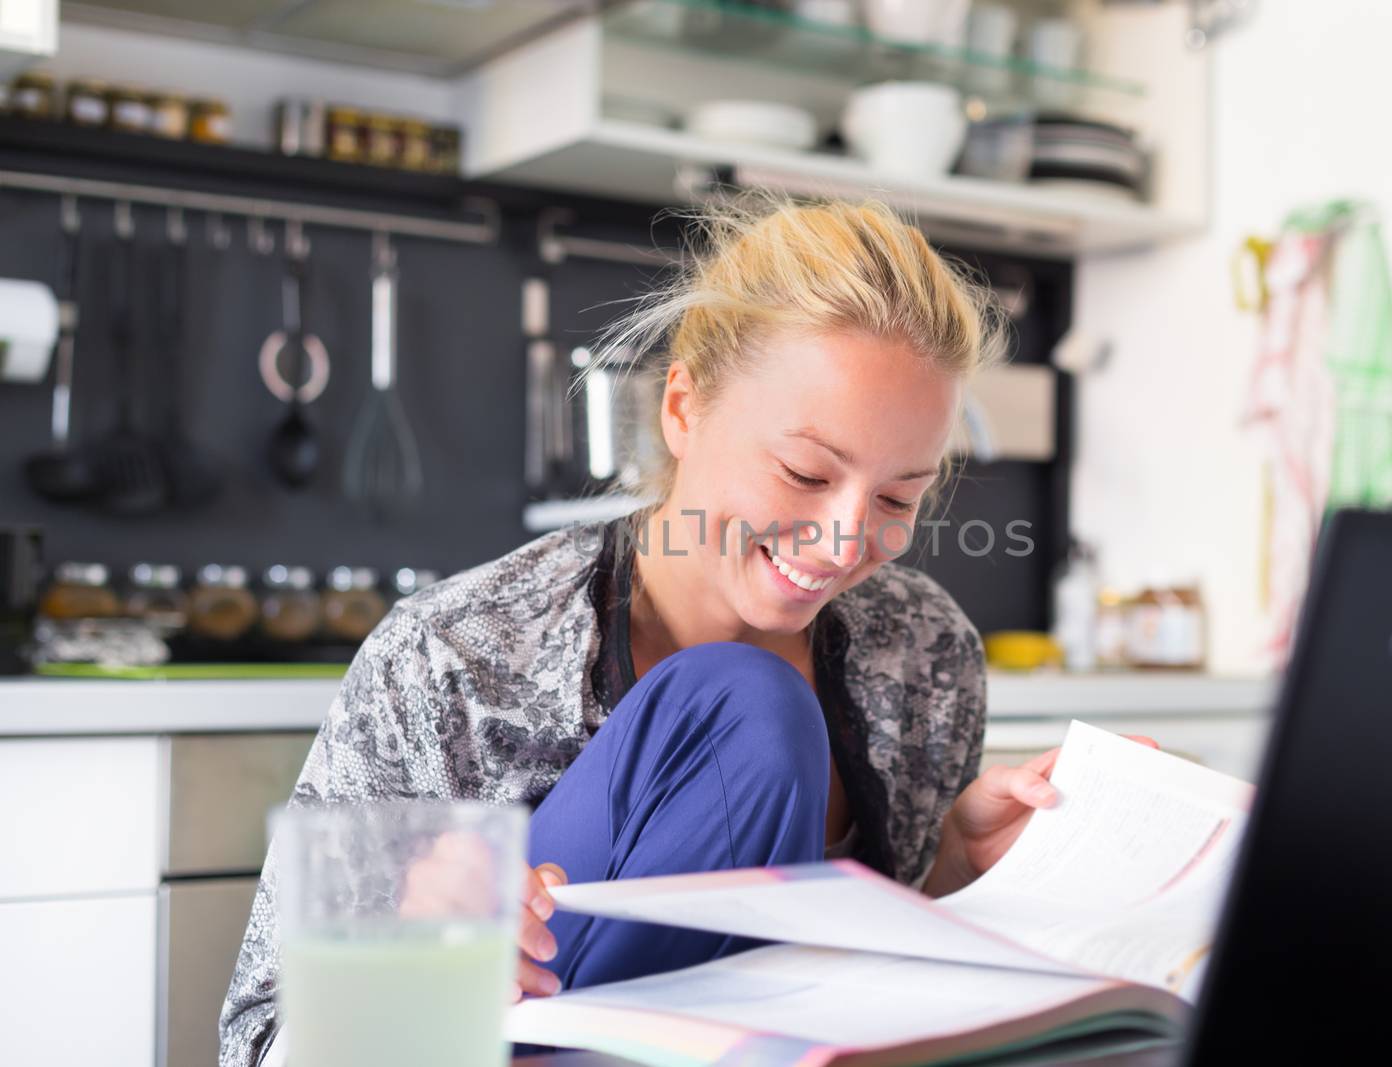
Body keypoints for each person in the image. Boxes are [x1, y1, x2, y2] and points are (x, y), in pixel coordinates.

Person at [220, 197, 1115, 1066]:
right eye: (806, 472)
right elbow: (257, 1042)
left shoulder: (923, 653)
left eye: (897, 497)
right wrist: (411, 964)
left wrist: (958, 873)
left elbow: (856, 996)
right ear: (682, 407)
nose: (847, 539)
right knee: (744, 706)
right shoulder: (456, 657)